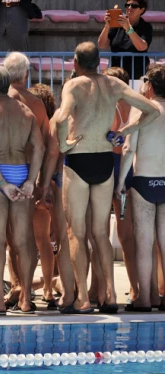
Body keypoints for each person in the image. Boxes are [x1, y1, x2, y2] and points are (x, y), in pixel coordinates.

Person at [55, 42, 161, 314]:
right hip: (104, 161)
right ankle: (110, 296)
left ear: (76, 63)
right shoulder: (113, 85)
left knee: (76, 232)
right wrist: (127, 130)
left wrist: (64, 144)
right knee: (101, 233)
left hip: (79, 159)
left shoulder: (74, 85)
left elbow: (61, 118)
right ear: (99, 62)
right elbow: (151, 109)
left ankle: (83, 298)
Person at [0, 65, 44, 316]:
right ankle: (25, 298)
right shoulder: (26, 112)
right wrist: (30, 180)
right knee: (24, 240)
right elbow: (38, 147)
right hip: (21, 171)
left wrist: (2, 182)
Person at [4, 52, 62, 310]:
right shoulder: (36, 106)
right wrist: (42, 180)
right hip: (28, 175)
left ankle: (7, 291)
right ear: (26, 74)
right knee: (33, 239)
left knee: (5, 240)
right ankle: (31, 294)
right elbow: (48, 148)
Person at [117, 65, 165, 311]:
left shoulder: (143, 110)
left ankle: (145, 299)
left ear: (150, 86)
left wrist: (120, 183)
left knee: (144, 243)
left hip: (144, 182)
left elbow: (128, 148)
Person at [29, 83, 75, 311]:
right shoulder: (55, 124)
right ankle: (48, 288)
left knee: (33, 240)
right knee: (50, 241)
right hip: (57, 180)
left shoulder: (37, 125)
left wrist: (41, 185)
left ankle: (26, 287)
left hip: (40, 181)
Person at [105, 67, 140, 306]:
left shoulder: (112, 106)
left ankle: (102, 289)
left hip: (113, 166)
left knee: (101, 233)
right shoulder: (138, 107)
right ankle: (136, 287)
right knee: (130, 235)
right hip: (132, 168)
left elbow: (113, 137)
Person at [99, 0, 153, 80]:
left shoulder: (146, 26)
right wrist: (107, 25)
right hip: (116, 76)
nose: (129, 8)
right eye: (127, 5)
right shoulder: (117, 24)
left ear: (142, 10)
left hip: (136, 76)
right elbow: (102, 45)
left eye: (134, 6)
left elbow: (142, 47)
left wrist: (128, 29)